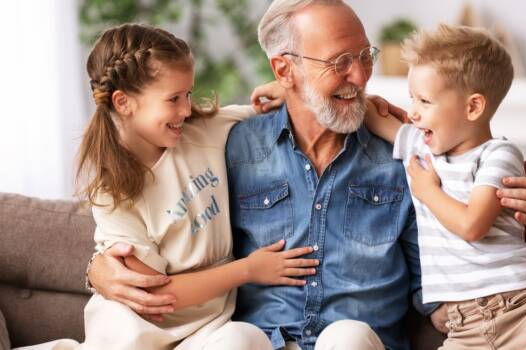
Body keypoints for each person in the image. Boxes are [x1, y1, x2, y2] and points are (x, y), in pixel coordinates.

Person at [87, 2, 526, 349]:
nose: (360, 75)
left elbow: (450, 259)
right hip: (260, 340)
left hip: (358, 344)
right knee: (233, 342)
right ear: (283, 69)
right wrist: (99, 266)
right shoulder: (233, 145)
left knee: (345, 338)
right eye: (338, 62)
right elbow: (163, 214)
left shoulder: (408, 155)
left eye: (364, 56)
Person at [21, 24, 326, 350]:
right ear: (124, 103)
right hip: (135, 331)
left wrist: (289, 89)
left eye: (188, 94)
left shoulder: (205, 132)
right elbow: (157, 294)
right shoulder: (115, 192)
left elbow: (271, 111)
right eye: (173, 98)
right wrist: (250, 269)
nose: (185, 109)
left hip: (207, 327)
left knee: (247, 341)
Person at [366, 24, 526, 349]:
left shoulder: (499, 155)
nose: (412, 112)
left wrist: (428, 192)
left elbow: (472, 225)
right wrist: (289, 90)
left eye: (424, 101)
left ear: (473, 107)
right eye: (412, 98)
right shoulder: (420, 147)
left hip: (523, 310)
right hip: (463, 328)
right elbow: (365, 113)